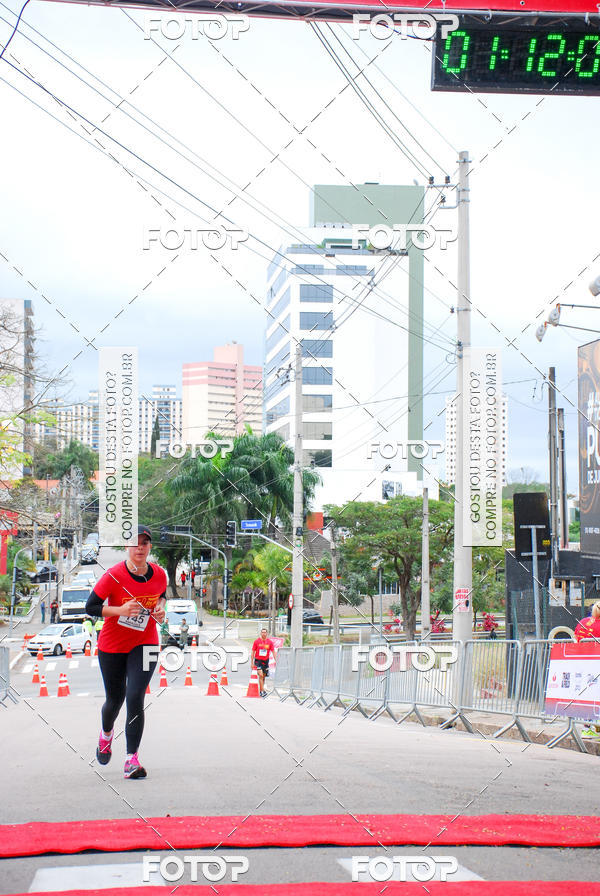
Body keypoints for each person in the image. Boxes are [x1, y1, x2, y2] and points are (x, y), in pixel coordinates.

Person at [85, 525, 167, 779]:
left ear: (149, 547)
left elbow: (161, 595)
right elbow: (92, 607)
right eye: (135, 543)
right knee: (115, 700)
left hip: (146, 642)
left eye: (144, 543)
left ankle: (131, 760)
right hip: (113, 645)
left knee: (135, 696)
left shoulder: (160, 574)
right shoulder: (114, 575)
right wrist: (120, 610)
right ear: (127, 548)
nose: (139, 548)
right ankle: (106, 734)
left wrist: (162, 608)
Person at [574, 601, 600, 739]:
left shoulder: (582, 622)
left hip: (583, 664)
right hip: (597, 664)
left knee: (588, 695)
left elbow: (576, 638)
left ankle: (586, 728)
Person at [251, 628, 275, 698]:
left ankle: (261, 690)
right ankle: (262, 691)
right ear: (260, 633)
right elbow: (253, 652)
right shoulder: (256, 641)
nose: (263, 634)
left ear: (267, 634)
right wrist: (252, 662)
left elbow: (273, 651)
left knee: (263, 677)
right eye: (262, 632)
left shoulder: (270, 642)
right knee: (260, 675)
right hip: (258, 661)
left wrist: (277, 660)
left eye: (265, 632)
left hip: (265, 661)